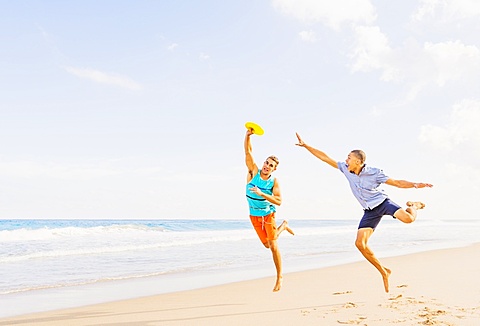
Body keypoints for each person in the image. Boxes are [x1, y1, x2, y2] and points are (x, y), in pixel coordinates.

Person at [295, 132, 433, 293]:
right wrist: (306, 146)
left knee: (409, 219)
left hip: (382, 203)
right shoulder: (345, 169)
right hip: (369, 211)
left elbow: (396, 183)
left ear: (358, 161)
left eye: (349, 158)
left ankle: (414, 205)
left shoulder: (374, 172)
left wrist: (416, 184)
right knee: (360, 244)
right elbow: (325, 158)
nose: (346, 160)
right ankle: (384, 271)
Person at [244, 128, 294, 292]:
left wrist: (262, 194)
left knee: (273, 246)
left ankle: (279, 277)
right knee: (266, 245)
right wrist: (247, 136)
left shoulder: (273, 182)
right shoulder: (253, 173)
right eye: (266, 163)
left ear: (274, 169)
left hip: (268, 215)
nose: (267, 166)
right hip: (254, 216)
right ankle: (284, 226)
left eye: (271, 165)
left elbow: (279, 201)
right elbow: (248, 152)